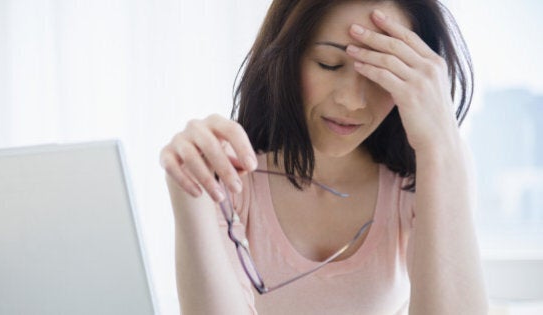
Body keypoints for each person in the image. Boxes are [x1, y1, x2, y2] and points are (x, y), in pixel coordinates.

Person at [160, 0, 488, 313]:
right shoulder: (230, 177)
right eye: (328, 65)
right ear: (287, 58)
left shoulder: (430, 173)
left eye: (381, 73)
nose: (352, 102)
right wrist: (191, 194)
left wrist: (440, 147)